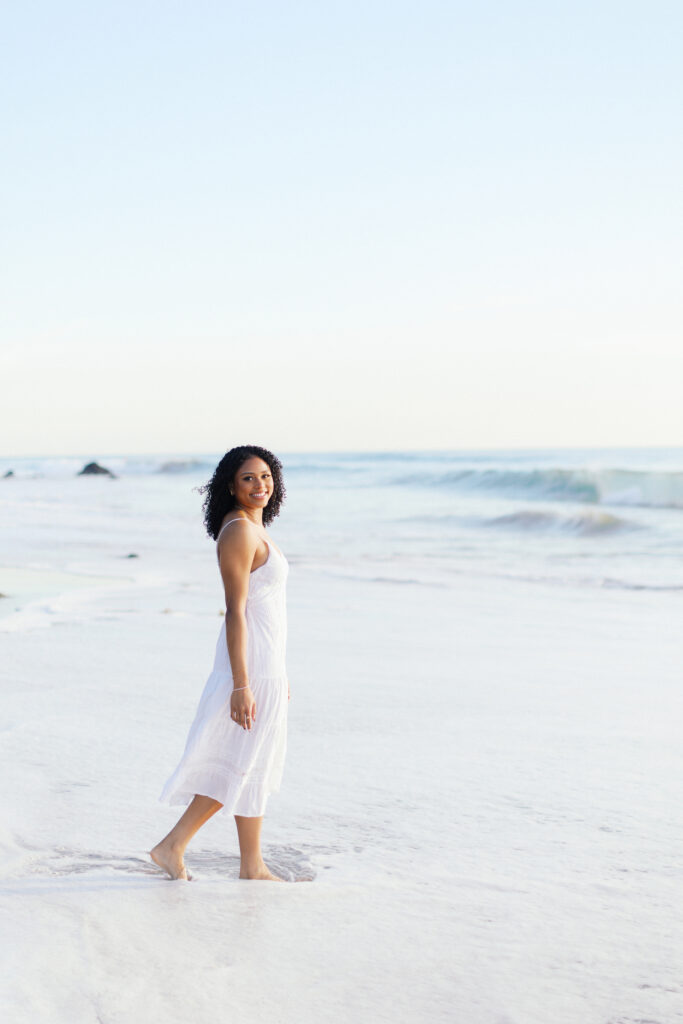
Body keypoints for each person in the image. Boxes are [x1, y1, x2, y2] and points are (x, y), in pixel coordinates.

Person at [150, 444, 290, 881]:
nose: (259, 485)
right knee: (239, 763)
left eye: (265, 476)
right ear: (230, 485)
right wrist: (242, 684)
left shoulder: (255, 528)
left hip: (267, 667)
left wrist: (277, 674)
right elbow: (235, 611)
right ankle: (173, 846)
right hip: (249, 668)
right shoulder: (239, 532)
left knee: (254, 764)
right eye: (248, 478)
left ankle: (251, 864)